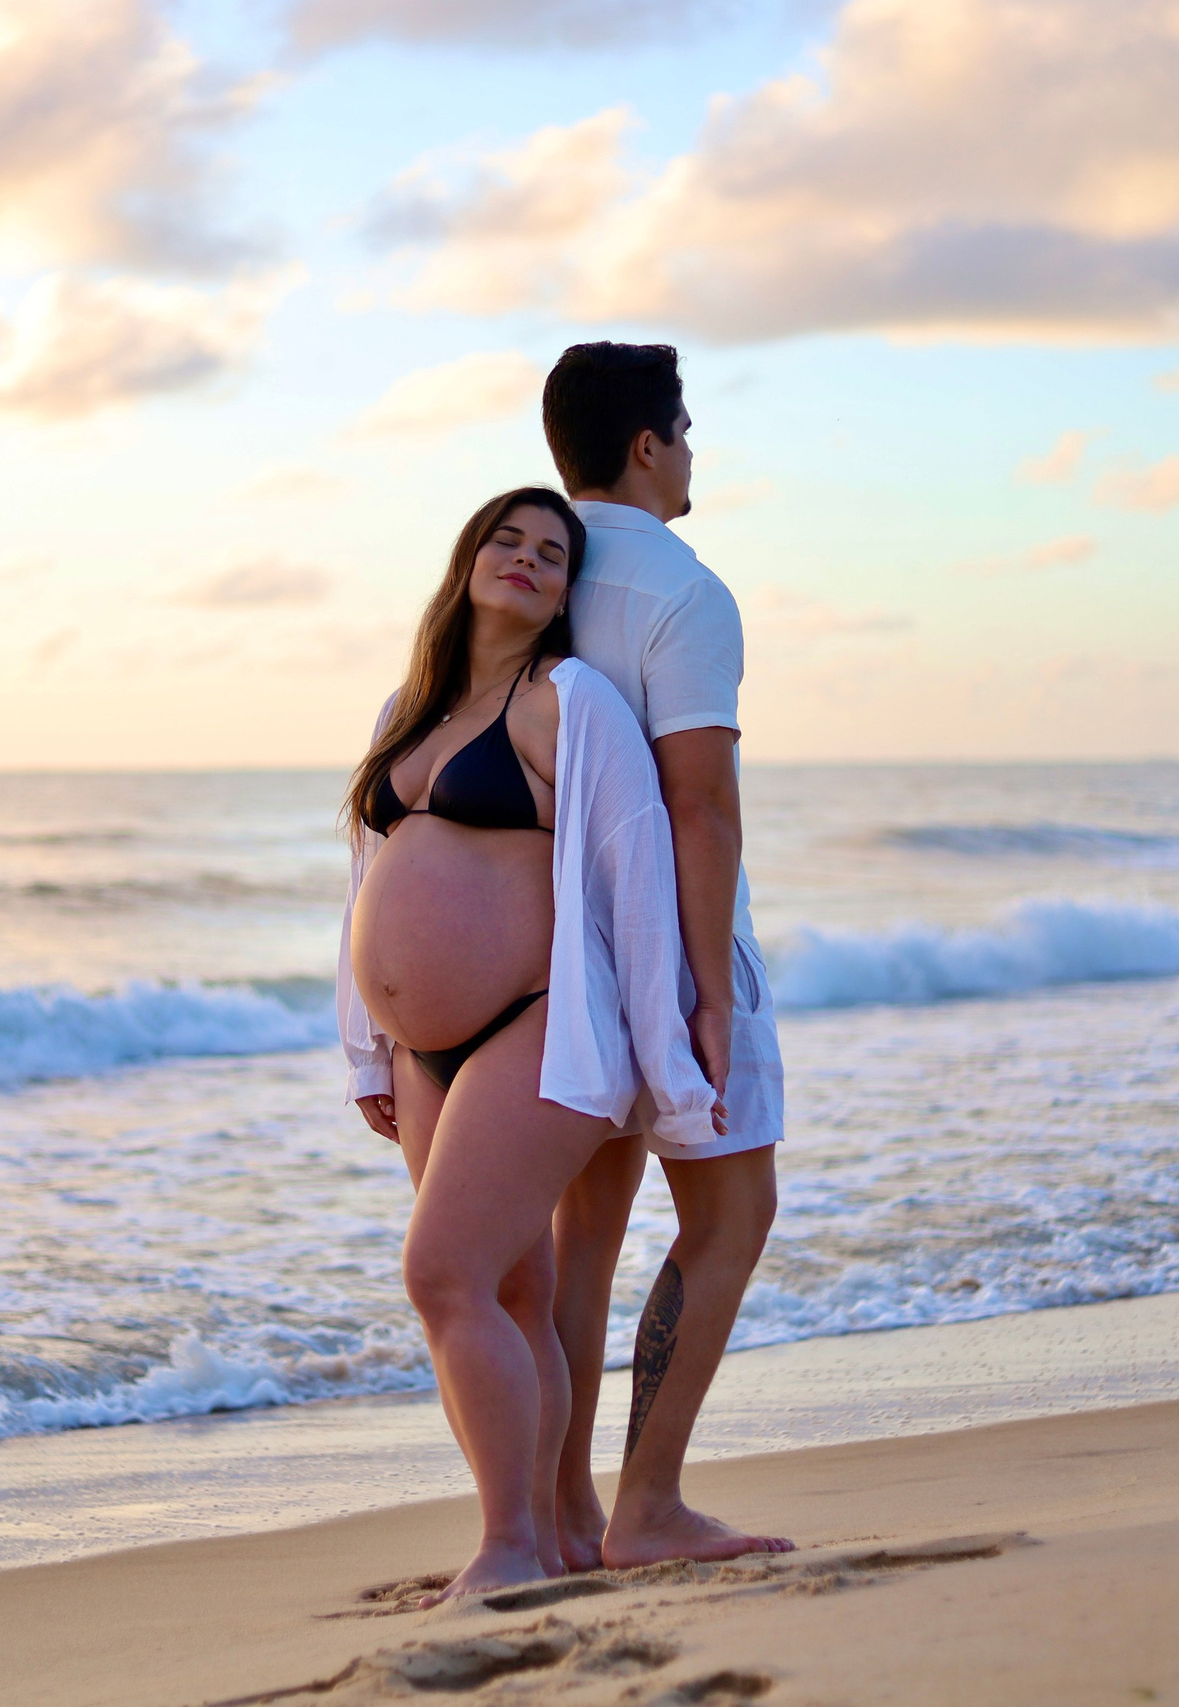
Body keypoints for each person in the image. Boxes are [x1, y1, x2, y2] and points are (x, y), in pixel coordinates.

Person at [335, 486, 726, 1602]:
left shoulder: (571, 700)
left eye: (551, 553)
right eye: (505, 540)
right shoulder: (407, 709)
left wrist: (674, 1052)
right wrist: (369, 1047)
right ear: (466, 563)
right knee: (508, 1289)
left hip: (540, 1022)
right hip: (424, 1052)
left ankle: (505, 1545)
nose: (526, 559)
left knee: (441, 1272)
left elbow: (634, 870)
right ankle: (547, 1537)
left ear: (564, 595)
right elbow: (364, 881)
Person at [542, 342, 795, 1570]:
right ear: (647, 446)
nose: (691, 453)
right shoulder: (680, 591)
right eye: (684, 431)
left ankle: (557, 1514)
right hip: (668, 944)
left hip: (549, 953)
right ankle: (646, 1505)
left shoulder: (528, 572)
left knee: (581, 1227)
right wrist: (704, 992)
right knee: (732, 1209)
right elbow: (698, 802)